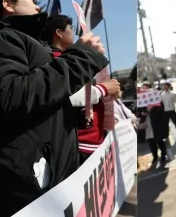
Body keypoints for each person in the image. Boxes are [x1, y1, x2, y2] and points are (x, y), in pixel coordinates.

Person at [0, 0, 109, 216]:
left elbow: (46, 100)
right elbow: (12, 96)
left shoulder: (30, 44)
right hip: (32, 181)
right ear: (8, 4)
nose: (38, 7)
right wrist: (83, 57)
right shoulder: (1, 38)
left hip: (54, 176)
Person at [42, 14, 121, 163]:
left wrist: (112, 92)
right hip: (79, 143)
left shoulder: (75, 61)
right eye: (70, 28)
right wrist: (104, 89)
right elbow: (68, 95)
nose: (74, 32)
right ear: (58, 33)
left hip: (95, 139)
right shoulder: (52, 61)